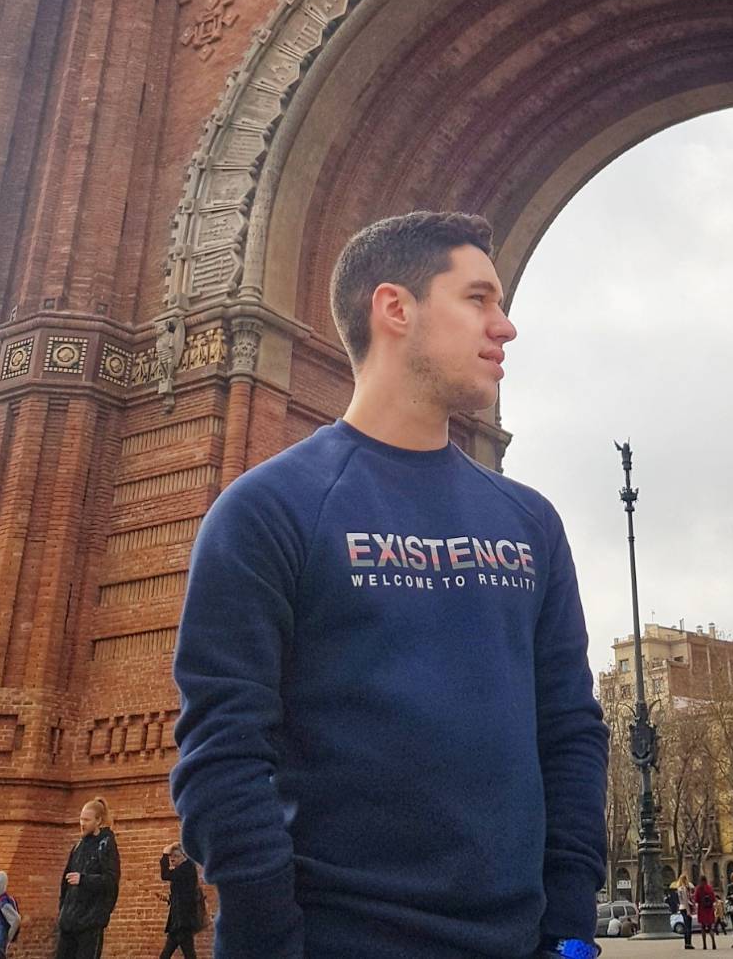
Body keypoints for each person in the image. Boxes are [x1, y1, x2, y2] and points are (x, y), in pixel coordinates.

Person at [173, 211, 609, 959]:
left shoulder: (531, 521)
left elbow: (569, 729)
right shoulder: (267, 511)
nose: (506, 327)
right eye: (478, 299)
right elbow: (222, 754)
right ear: (395, 308)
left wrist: (569, 926)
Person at [55, 798, 119, 959]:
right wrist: (63, 911)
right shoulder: (78, 846)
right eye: (81, 819)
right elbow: (65, 883)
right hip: (69, 921)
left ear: (98, 821)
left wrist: (84, 880)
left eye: (86, 820)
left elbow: (111, 881)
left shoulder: (106, 845)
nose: (82, 823)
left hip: (90, 922)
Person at [158, 845, 202, 959]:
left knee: (188, 955)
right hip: (177, 923)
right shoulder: (181, 872)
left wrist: (165, 853)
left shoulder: (187, 868)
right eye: (171, 857)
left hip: (183, 922)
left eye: (176, 856)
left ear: (184, 857)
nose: (172, 859)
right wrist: (169, 899)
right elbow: (184, 895)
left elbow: (165, 875)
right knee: (170, 955)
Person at [694, 876, 716, 950]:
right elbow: (713, 899)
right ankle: (713, 943)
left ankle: (704, 945)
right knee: (710, 927)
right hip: (709, 910)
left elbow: (696, 899)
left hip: (702, 909)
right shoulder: (709, 888)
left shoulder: (698, 888)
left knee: (703, 927)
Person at [677, 874, 695, 950]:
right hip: (685, 908)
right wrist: (688, 911)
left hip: (681, 907)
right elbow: (685, 901)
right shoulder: (684, 889)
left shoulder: (679, 888)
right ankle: (689, 943)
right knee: (688, 926)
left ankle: (686, 943)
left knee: (686, 925)